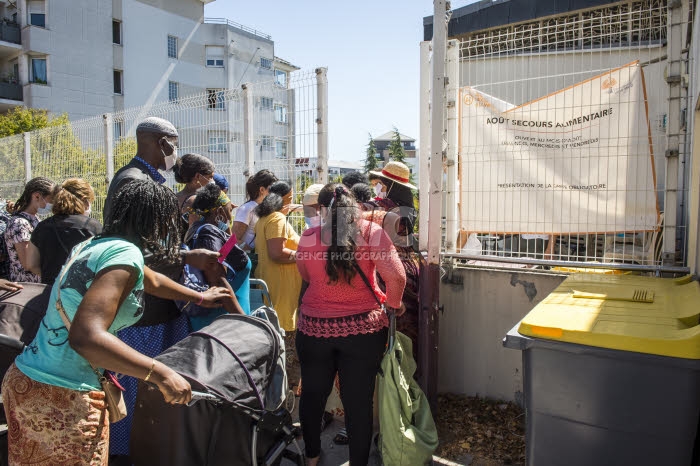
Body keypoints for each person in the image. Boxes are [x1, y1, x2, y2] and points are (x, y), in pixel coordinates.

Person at [2, 179, 234, 465]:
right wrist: (161, 373)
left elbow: (153, 280)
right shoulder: (125, 255)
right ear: (156, 222)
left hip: (27, 379)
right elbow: (85, 336)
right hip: (61, 395)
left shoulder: (98, 244)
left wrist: (199, 297)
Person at [101, 117, 220, 461]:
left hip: (160, 306)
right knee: (139, 393)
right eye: (174, 143)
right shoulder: (133, 183)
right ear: (161, 142)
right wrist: (186, 259)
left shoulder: (143, 179)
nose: (176, 153)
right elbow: (134, 253)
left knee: (157, 393)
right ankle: (128, 454)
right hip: (144, 314)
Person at [296, 184, 406, 466]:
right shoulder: (372, 233)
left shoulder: (308, 237)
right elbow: (397, 278)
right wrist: (394, 304)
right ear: (356, 207)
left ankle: (311, 456)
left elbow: (307, 275)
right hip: (363, 331)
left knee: (312, 395)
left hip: (313, 330)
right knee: (358, 403)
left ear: (324, 210)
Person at [367, 161, 421, 365]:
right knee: (409, 326)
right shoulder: (409, 209)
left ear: (388, 185)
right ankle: (408, 372)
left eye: (380, 182)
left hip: (386, 269)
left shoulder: (378, 208)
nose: (377, 186)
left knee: (387, 323)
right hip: (410, 270)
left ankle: (386, 377)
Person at [184, 183, 250, 330]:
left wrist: (227, 227)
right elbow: (218, 281)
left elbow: (226, 253)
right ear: (219, 211)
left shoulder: (202, 229)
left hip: (226, 317)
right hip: (225, 322)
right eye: (228, 208)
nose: (232, 211)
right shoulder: (208, 234)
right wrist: (245, 322)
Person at [25, 178, 103, 286]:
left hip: (50, 291)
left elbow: (31, 264)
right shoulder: (93, 226)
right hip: (82, 292)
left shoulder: (42, 227)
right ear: (84, 200)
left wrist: (55, 278)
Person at [254, 180, 302, 332]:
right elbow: (277, 253)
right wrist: (305, 256)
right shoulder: (277, 218)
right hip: (281, 286)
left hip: (274, 282)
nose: (292, 201)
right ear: (285, 198)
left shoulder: (266, 217)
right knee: (281, 330)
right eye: (291, 197)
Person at [4, 177, 55, 283]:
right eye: (51, 200)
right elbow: (28, 263)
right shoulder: (20, 223)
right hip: (26, 287)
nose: (52, 204)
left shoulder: (34, 219)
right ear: (37, 196)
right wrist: (54, 277)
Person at [233, 169, 278, 252]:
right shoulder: (247, 209)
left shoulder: (268, 208)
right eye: (272, 188)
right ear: (262, 190)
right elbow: (233, 240)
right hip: (249, 259)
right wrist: (252, 251)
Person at [173, 153, 216, 232]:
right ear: (198, 177)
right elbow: (222, 235)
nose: (212, 181)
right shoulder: (199, 201)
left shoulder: (174, 197)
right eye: (210, 177)